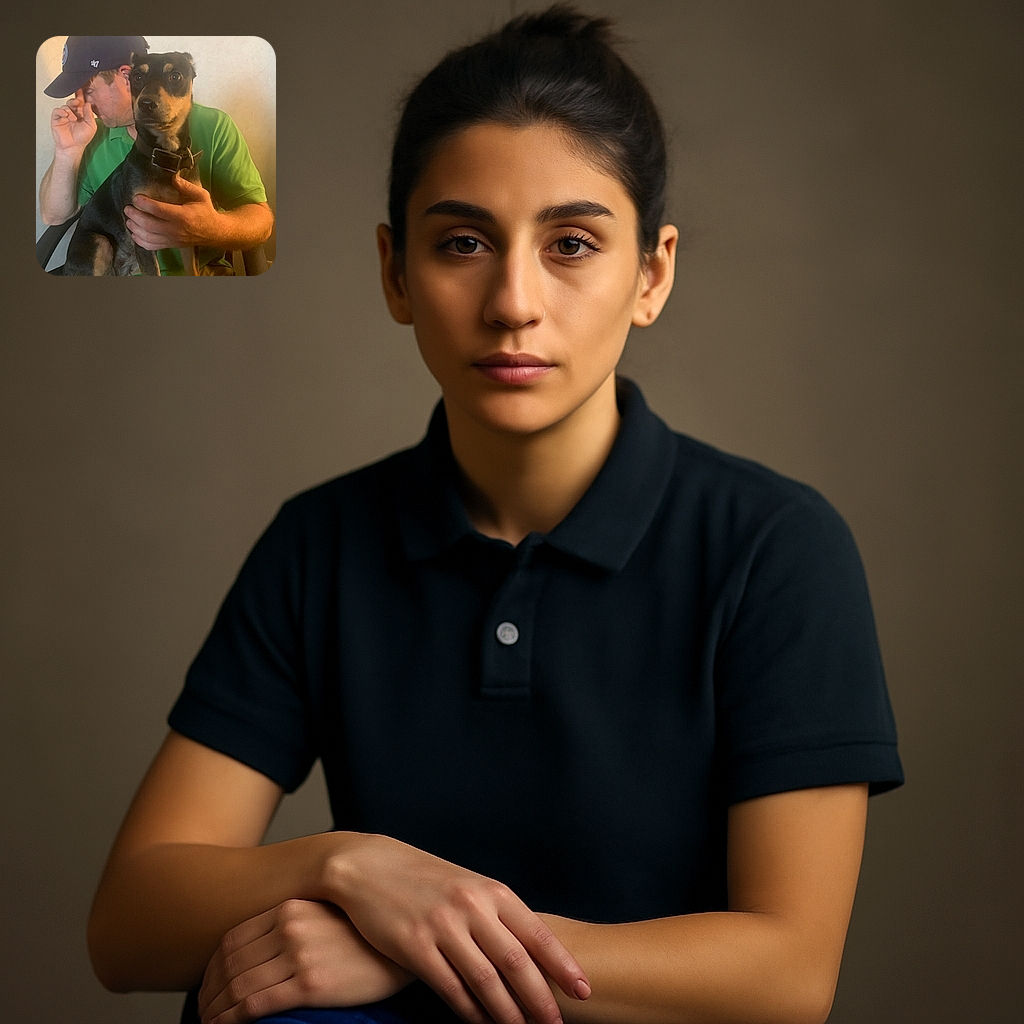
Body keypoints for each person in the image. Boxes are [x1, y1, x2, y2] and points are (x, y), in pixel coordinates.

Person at [87, 7, 902, 1024]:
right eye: (463, 242)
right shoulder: (322, 544)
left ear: (651, 274)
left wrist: (421, 947)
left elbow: (786, 978)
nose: (513, 300)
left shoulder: (773, 549)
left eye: (572, 244)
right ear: (395, 272)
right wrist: (349, 868)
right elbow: (128, 924)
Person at [39, 35, 274, 274]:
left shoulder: (214, 126)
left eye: (88, 91)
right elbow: (54, 217)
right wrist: (67, 150)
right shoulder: (90, 135)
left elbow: (261, 222)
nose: (82, 104)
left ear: (127, 77)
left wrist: (211, 228)